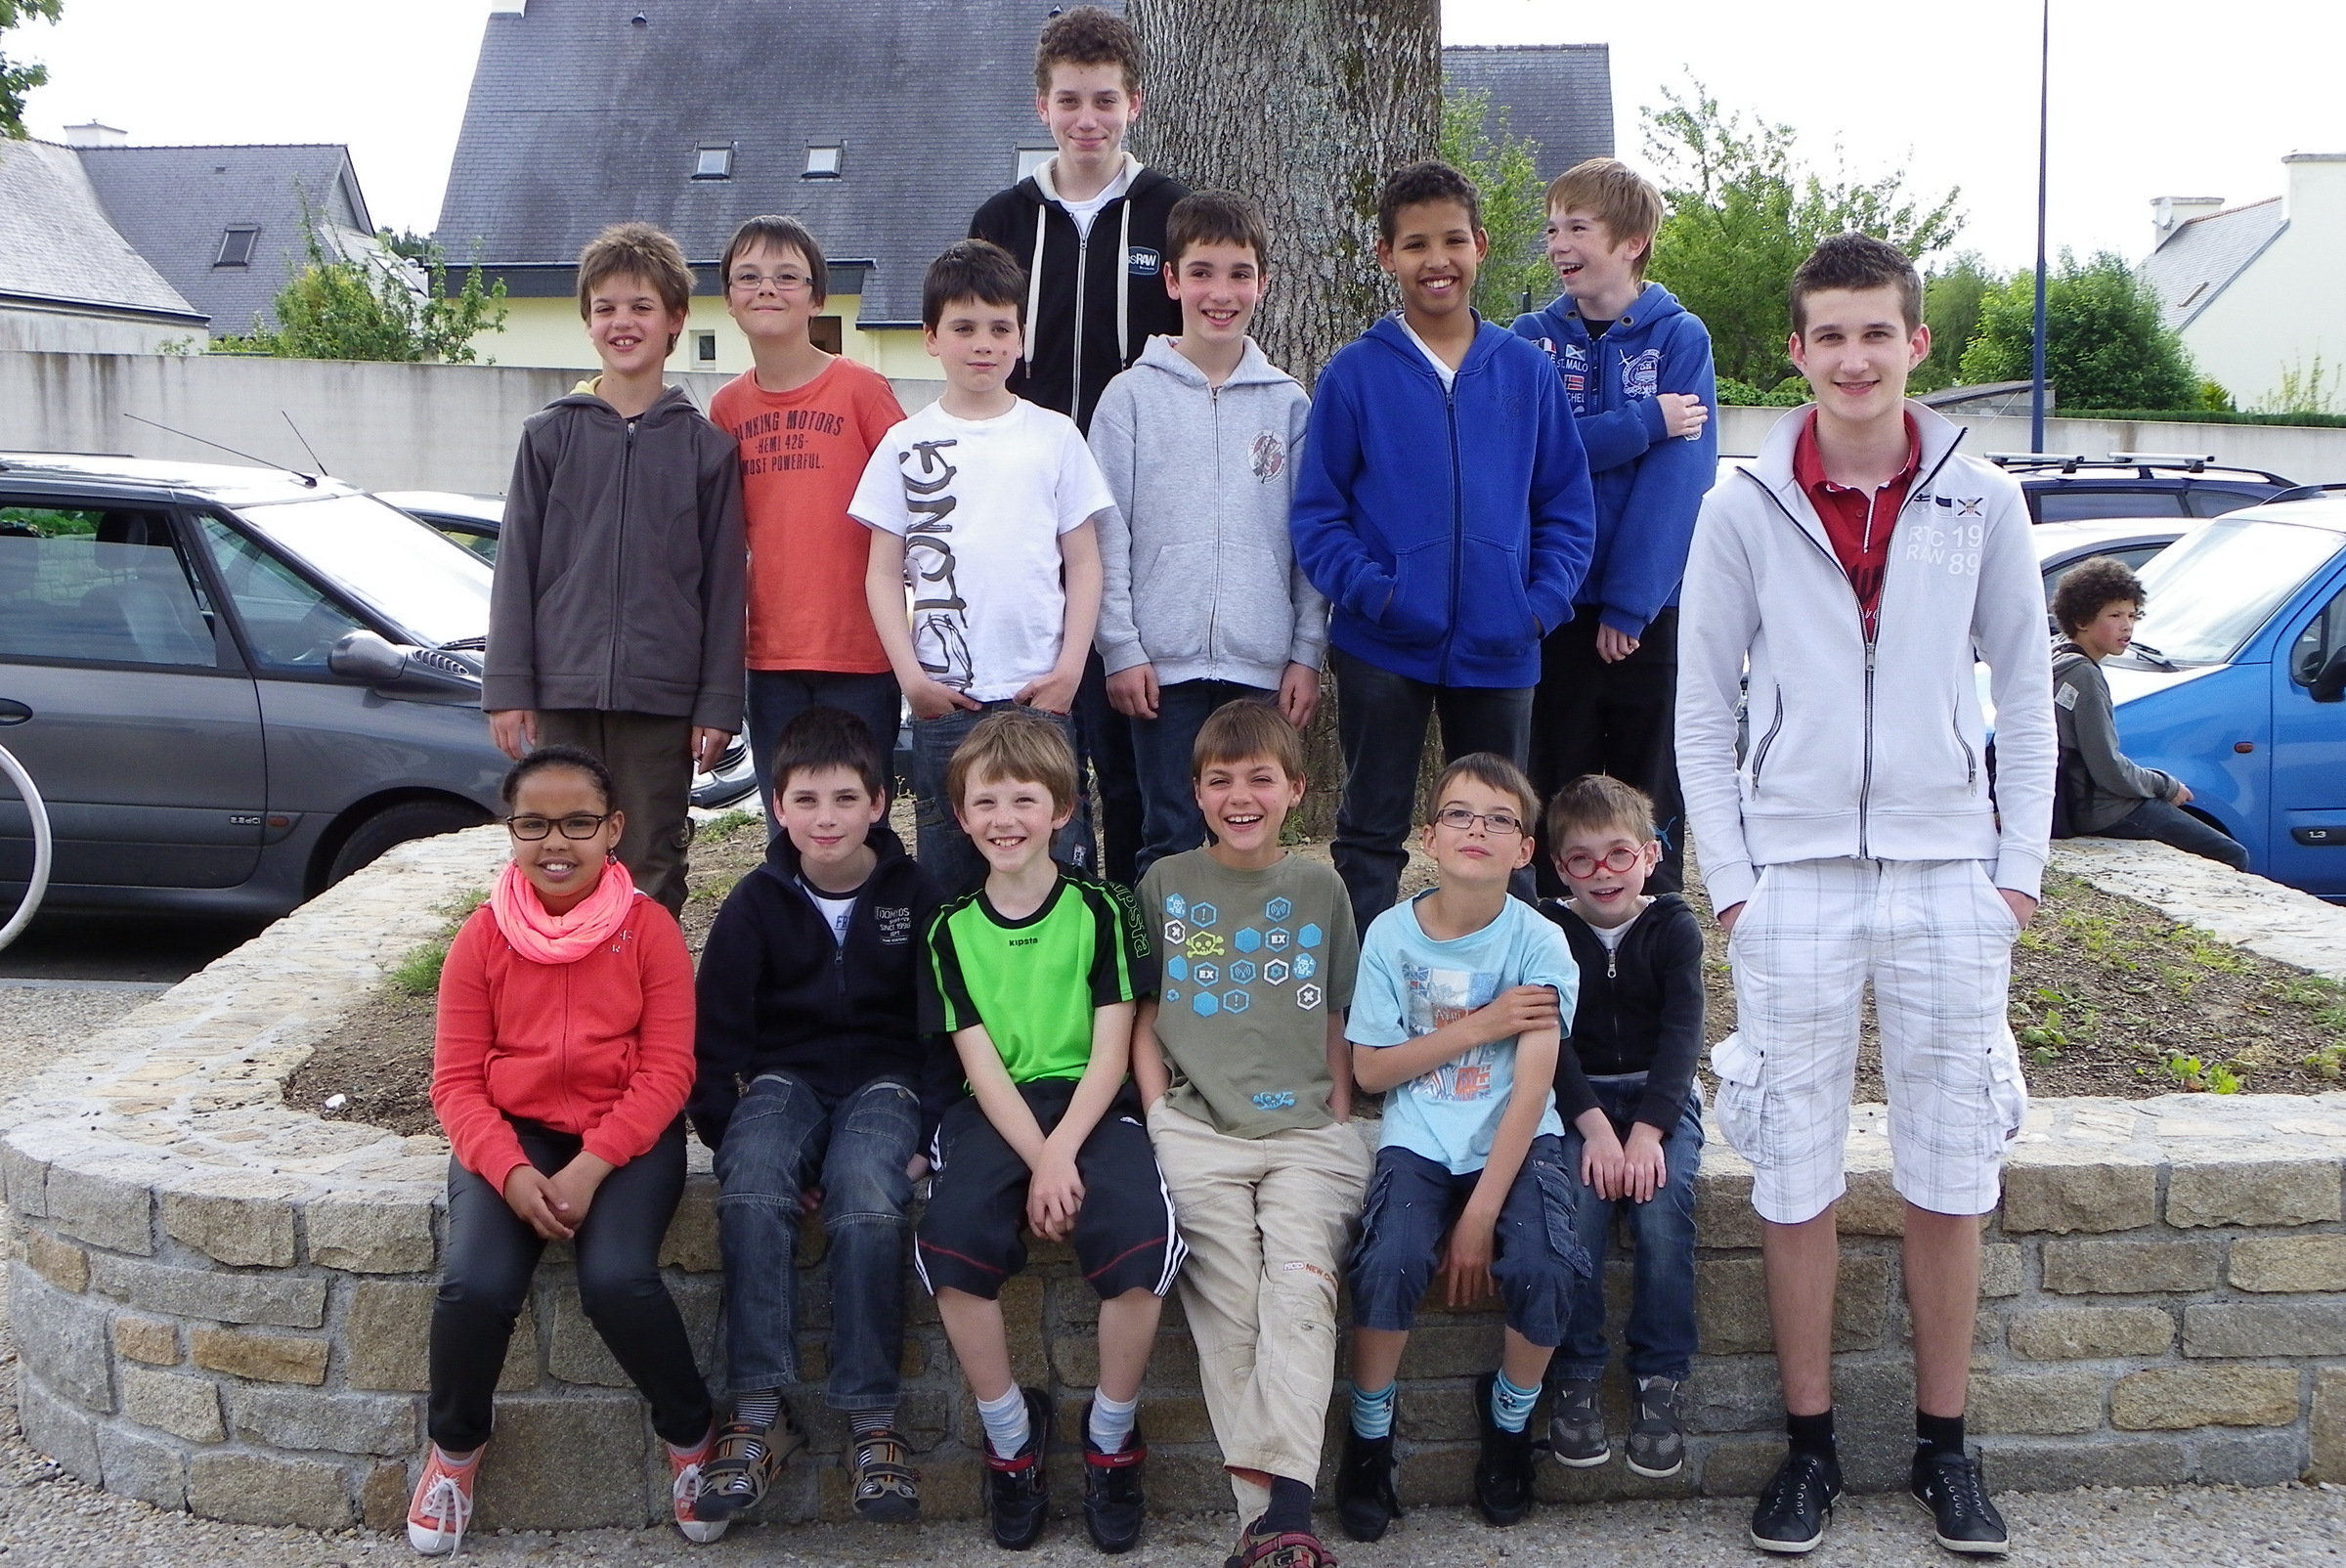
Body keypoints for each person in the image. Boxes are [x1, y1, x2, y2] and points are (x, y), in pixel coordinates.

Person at [1676, 233, 2055, 1556]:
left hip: (1950, 876)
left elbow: (2028, 697)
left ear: (1916, 344)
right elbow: (1702, 713)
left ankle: (1948, 1447)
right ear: (1797, 351)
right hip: (1794, 884)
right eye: (1829, 335)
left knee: (1952, 1173)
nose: (1853, 358)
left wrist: (2014, 877)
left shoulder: (1983, 500)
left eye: (1875, 332)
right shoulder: (1741, 505)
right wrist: (1736, 887)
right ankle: (1810, 1447)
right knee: (1794, 1176)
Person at [408, 746, 719, 1555]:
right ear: (509, 831)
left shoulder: (648, 930)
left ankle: (692, 1437)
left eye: (578, 823)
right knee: (474, 1287)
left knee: (617, 1283)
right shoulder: (481, 938)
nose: (556, 842)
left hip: (627, 1135)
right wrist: (512, 1173)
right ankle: (454, 1452)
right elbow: (455, 1084)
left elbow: (669, 1071)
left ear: (613, 828)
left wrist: (592, 1164)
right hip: (513, 1135)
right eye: (534, 824)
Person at [1289, 159, 1596, 939]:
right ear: (1386, 255)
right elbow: (1318, 517)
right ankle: (1364, 999)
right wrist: (1379, 593)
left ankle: (1509, 992)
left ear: (1480, 246)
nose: (1438, 260)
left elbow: (1566, 506)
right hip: (1382, 645)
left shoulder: (1526, 372)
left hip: (1502, 645)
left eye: (1453, 240)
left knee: (1501, 836)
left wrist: (1536, 607)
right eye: (1416, 244)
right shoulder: (1354, 374)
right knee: (1371, 831)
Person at [912, 712, 1178, 1553]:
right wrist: (1039, 1158)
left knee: (1143, 1237)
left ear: (1061, 809)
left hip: (1095, 1104)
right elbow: (980, 1065)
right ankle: (1010, 1437)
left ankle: (1110, 1436)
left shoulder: (1104, 908)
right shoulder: (949, 929)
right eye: (985, 802)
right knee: (950, 1240)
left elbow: (1113, 1046)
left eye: (1024, 799)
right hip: (998, 1112)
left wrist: (1062, 1152)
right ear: (961, 816)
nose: (1005, 819)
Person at [686, 707, 950, 1526]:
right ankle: (759, 1413)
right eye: (805, 800)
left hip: (887, 1083)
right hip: (786, 1078)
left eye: (844, 799)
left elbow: (950, 1027)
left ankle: (873, 1422)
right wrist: (729, 1135)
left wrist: (931, 1138)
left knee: (867, 1191)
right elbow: (713, 1034)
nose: (825, 818)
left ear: (879, 803)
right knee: (754, 1179)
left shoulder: (918, 895)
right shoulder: (758, 901)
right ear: (777, 806)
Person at [1129, 701, 1367, 1568]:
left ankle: (1275, 1521)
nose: (1240, 797)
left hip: (1308, 1128)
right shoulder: (1164, 884)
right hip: (1197, 1127)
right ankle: (1278, 1524)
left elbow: (1337, 1013)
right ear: (1196, 792)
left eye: (1260, 779)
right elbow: (1144, 1010)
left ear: (1295, 789)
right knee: (1230, 1308)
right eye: (1220, 780)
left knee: (1300, 1290)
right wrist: (1158, 1111)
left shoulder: (1321, 888)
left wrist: (1338, 1113)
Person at [1333, 754, 1595, 1540]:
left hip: (1517, 1140)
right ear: (1430, 836)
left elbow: (1534, 1087)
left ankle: (1509, 1422)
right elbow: (1371, 1070)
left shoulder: (1540, 942)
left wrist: (1481, 1215)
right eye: (1459, 814)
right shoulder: (1390, 935)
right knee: (1386, 1263)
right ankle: (1369, 1437)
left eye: (1499, 819)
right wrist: (1482, 1025)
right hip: (1419, 1136)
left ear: (1525, 849)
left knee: (1546, 1266)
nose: (1477, 829)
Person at [972, 3, 1192, 889]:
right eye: (1070, 100)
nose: (1088, 119)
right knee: (1040, 736)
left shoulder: (1171, 211)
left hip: (1140, 505)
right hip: (1027, 504)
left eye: (1105, 100)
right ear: (1043, 107)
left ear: (1134, 103)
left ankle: (1130, 919)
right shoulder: (1002, 217)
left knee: (1128, 736)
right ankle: (1038, 906)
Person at [484, 222, 746, 916]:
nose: (622, 322)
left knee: (650, 856)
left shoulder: (707, 450)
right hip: (561, 689)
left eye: (641, 307)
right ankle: (562, 980)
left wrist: (717, 703)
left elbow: (725, 587)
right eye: (606, 308)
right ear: (587, 321)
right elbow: (516, 565)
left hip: (662, 699)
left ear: (676, 320)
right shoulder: (548, 436)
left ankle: (645, 985)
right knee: (562, 853)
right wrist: (507, 687)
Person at [852, 240, 1114, 897]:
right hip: (945, 702)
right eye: (964, 327)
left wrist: (1070, 671)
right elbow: (882, 573)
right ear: (931, 338)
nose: (983, 344)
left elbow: (1085, 562)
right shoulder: (903, 444)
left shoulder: (1055, 436)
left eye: (1001, 328)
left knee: (1059, 870)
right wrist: (912, 679)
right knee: (950, 874)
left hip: (1040, 695)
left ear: (1021, 338)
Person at [1090, 190, 1324, 880]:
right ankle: (1160, 958)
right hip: (1161, 669)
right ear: (1171, 279)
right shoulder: (1130, 397)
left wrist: (1307, 652)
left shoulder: (1288, 403)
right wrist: (1120, 647)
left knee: (1251, 834)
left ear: (1263, 282)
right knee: (1169, 832)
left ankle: (1247, 955)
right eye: (1201, 272)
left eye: (1239, 274)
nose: (1221, 293)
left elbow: (1309, 541)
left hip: (1261, 667)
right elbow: (1104, 534)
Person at [1511, 158, 1718, 895]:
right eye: (1551, 229)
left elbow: (1679, 483)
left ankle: (1653, 928)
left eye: (1577, 227)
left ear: (1632, 242)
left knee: (1647, 786)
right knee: (1552, 784)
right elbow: (1531, 454)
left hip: (1648, 614)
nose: (1558, 244)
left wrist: (1631, 603)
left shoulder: (1680, 338)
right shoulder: (1529, 339)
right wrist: (1642, 423)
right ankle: (1552, 930)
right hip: (1553, 606)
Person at [1533, 774, 1706, 1481]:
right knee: (1578, 1203)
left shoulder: (1673, 927)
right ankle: (1575, 1374)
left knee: (1662, 1207)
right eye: (1581, 859)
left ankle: (1660, 1376)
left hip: (1661, 1097)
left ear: (1650, 855)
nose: (1602, 873)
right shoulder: (1546, 930)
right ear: (1558, 867)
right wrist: (1597, 1129)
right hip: (1580, 1098)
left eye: (1618, 855)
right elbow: (1550, 1040)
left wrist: (1649, 1132)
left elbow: (1683, 1035)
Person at [707, 215, 908, 821]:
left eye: (787, 276)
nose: (767, 288)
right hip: (770, 658)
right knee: (788, 825)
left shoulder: (861, 391)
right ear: (729, 301)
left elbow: (917, 508)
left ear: (817, 298)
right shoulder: (726, 408)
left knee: (860, 820)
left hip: (861, 651)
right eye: (749, 277)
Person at [2050, 557, 2249, 869]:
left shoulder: (2058, 656)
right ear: (2081, 620)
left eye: (2131, 615)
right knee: (2232, 854)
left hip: (2076, 804)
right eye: (2114, 615)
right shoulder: (2084, 676)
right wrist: (2165, 785)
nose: (2126, 625)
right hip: (2103, 810)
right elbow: (2108, 768)